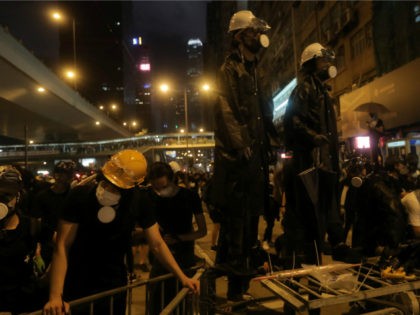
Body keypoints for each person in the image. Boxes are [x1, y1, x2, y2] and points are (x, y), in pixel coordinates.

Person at [43, 150, 199, 315]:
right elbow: (62, 245)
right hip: (77, 281)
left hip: (114, 283)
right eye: (108, 180)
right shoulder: (80, 195)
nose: (111, 187)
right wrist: (55, 296)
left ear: (134, 184)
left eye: (118, 185)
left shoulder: (139, 200)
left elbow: (157, 243)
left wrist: (182, 277)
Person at [209, 10, 280, 302]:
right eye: (252, 32)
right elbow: (225, 108)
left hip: (255, 156)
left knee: (252, 220)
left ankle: (242, 285)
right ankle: (228, 289)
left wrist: (271, 140)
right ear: (240, 37)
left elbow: (264, 111)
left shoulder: (254, 70)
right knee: (235, 224)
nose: (258, 37)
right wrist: (240, 144)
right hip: (237, 160)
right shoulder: (229, 69)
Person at [283, 42, 359, 274]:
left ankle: (333, 245)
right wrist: (313, 137)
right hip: (311, 162)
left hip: (325, 161)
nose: (327, 65)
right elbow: (293, 121)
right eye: (323, 61)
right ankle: (312, 258)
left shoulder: (320, 89)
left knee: (328, 207)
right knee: (312, 213)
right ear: (311, 63)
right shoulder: (304, 88)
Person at [146, 162, 207, 315]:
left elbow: (202, 231)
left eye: (163, 186)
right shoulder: (149, 197)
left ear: (172, 180)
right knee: (156, 304)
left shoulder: (189, 196)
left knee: (182, 304)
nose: (159, 191)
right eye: (156, 187)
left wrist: (179, 238)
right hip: (160, 261)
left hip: (185, 259)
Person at [0, 165, 44, 314]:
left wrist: (53, 292)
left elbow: (62, 245)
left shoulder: (30, 226)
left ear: (18, 195)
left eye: (7, 194)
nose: (2, 200)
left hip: (24, 306)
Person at [31, 160, 76, 268]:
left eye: (66, 175)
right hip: (47, 243)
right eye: (59, 173)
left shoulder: (74, 196)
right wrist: (37, 250)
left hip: (70, 243)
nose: (61, 178)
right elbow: (35, 224)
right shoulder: (42, 196)